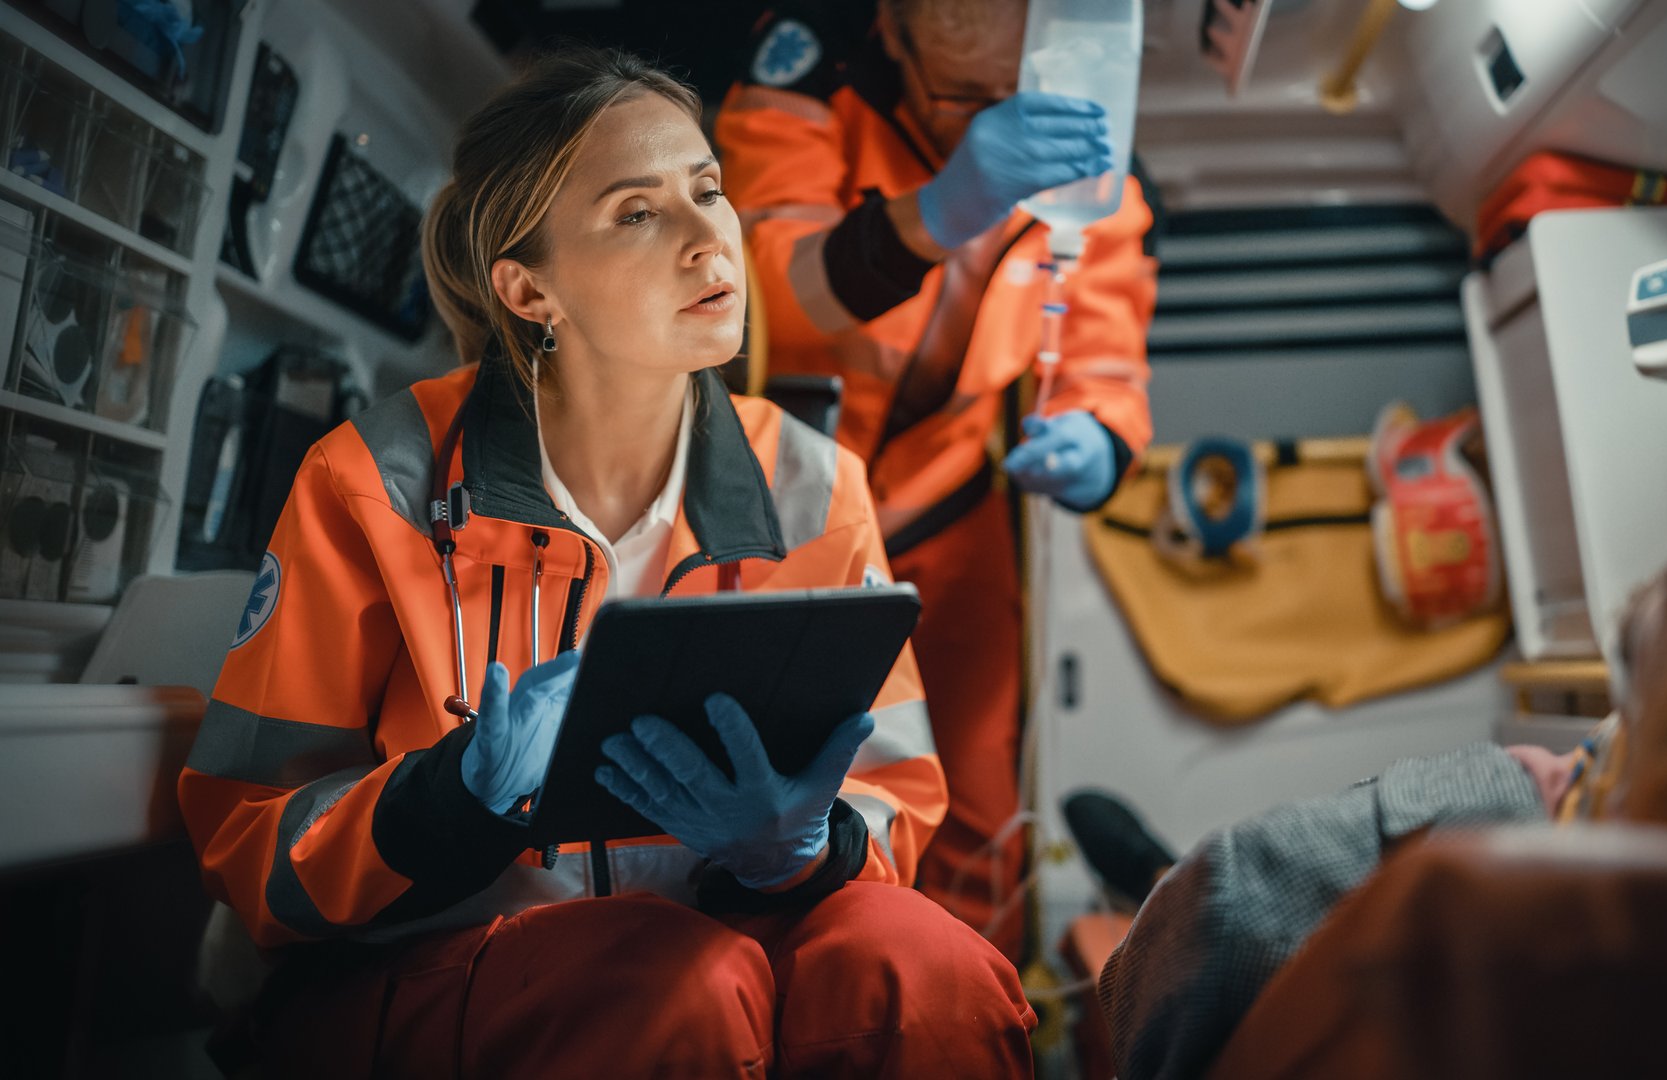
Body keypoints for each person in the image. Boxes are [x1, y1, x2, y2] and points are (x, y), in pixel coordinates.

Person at [177, 48, 1034, 1078]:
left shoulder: (813, 483)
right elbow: (251, 849)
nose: (707, 236)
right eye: (638, 212)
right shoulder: (373, 482)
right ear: (530, 289)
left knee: (932, 970)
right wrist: (456, 795)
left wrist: (800, 848)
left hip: (721, 938)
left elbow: (892, 798)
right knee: (677, 982)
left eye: (707, 191)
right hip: (422, 967)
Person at [1097, 467, 1667, 1079]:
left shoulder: (1468, 923)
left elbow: (1215, 915)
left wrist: (1455, 810)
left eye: (1631, 711)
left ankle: (1151, 873)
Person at [713, 0, 1159, 961]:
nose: (990, 119)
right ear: (893, 33)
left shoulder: (1095, 153)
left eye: (1016, 93)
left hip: (953, 511)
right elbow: (766, 303)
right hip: (790, 511)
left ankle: (974, 1008)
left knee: (976, 804)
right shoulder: (805, 80)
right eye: (961, 94)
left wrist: (1094, 442)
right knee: (759, 791)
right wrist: (939, 210)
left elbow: (1107, 359)